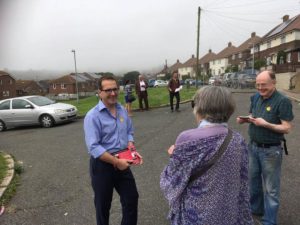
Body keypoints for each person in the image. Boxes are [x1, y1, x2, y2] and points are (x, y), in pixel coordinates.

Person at [160, 86, 253, 225]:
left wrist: (176, 155)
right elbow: (243, 181)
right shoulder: (238, 139)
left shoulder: (187, 139)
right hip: (228, 213)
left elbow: (171, 181)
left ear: (200, 109)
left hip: (197, 215)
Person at [84, 75, 143, 225]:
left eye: (115, 89)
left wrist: (131, 145)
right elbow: (94, 147)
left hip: (123, 159)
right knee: (103, 206)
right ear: (100, 92)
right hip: (103, 165)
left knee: (131, 199)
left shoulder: (122, 110)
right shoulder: (92, 116)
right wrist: (116, 162)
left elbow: (129, 130)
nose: (113, 93)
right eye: (108, 90)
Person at [237, 70, 294, 225]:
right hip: (253, 147)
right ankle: (256, 210)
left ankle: (269, 221)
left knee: (271, 189)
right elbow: (253, 116)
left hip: (271, 151)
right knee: (253, 182)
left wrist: (266, 124)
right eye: (258, 85)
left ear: (274, 83)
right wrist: (245, 120)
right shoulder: (256, 97)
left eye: (264, 85)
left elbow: (287, 128)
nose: (260, 88)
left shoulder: (283, 101)